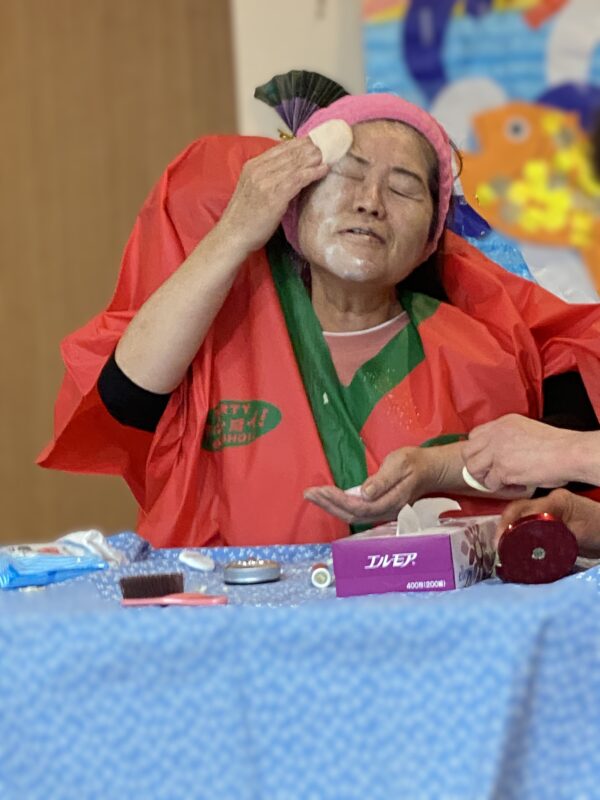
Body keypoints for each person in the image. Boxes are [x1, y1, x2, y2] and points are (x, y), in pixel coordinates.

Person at [38, 73, 600, 548]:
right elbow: (127, 398)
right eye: (348, 174)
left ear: (431, 238)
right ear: (292, 206)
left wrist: (438, 469)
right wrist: (235, 231)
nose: (369, 202)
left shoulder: (483, 351)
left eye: (404, 188)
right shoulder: (217, 334)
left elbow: (547, 472)